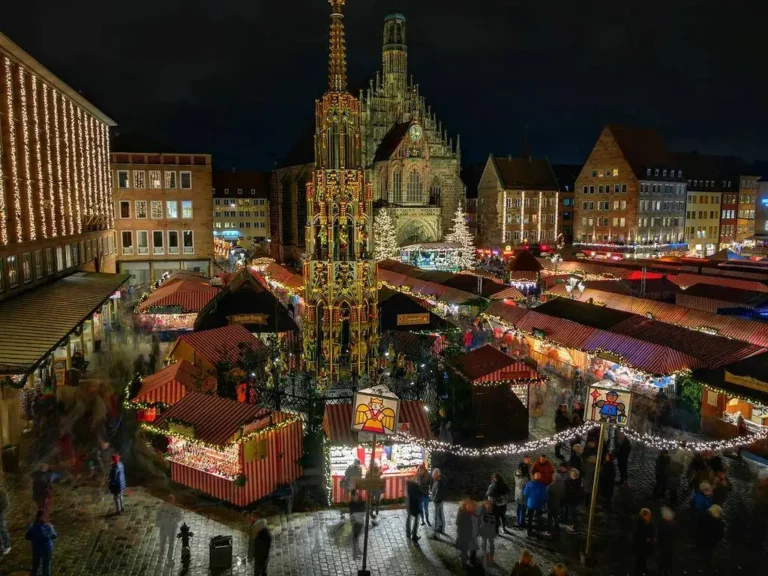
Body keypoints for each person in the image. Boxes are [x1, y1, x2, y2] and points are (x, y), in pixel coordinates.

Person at [26, 509, 57, 576]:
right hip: (47, 549)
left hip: (36, 549)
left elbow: (27, 537)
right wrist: (51, 527)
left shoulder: (32, 527)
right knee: (46, 566)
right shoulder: (49, 527)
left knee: (35, 566)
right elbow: (54, 536)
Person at [157, 495, 183, 566]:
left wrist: (174, 520)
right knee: (163, 543)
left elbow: (180, 518)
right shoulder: (162, 508)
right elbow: (157, 518)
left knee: (170, 544)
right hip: (165, 528)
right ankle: (162, 557)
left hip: (171, 529)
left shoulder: (176, 509)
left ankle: (169, 559)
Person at [455, 499, 479, 568]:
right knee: (464, 548)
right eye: (469, 506)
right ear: (465, 505)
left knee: (473, 547)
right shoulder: (462, 512)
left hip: (473, 533)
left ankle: (472, 560)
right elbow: (458, 523)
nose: (471, 507)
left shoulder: (475, 511)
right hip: (464, 533)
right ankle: (463, 562)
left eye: (473, 506)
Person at [523, 472, 548, 536]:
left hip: (530, 504)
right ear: (540, 478)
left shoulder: (528, 484)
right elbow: (544, 496)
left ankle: (529, 530)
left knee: (530, 517)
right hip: (539, 504)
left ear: (534, 477)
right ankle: (538, 530)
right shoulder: (542, 486)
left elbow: (525, 494)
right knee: (538, 517)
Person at [634, 508, 654, 576]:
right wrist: (645, 539)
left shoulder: (649, 524)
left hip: (646, 549)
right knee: (640, 565)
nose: (650, 517)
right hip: (641, 549)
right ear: (644, 516)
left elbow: (651, 534)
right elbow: (638, 536)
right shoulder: (640, 525)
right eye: (648, 515)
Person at [657, 507, 677, 576]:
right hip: (667, 545)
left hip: (665, 545)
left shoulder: (661, 523)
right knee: (666, 558)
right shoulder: (668, 525)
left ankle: (663, 570)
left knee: (665, 558)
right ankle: (665, 570)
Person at [478, 500, 497, 566]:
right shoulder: (481, 511)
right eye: (487, 505)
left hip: (491, 530)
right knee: (484, 542)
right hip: (484, 530)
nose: (489, 507)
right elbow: (478, 521)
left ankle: (491, 558)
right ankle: (485, 556)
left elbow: (496, 522)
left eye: (490, 506)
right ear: (484, 505)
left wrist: (495, 530)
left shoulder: (494, 512)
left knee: (491, 543)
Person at [430, 468, 446, 535]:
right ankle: (440, 527)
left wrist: (434, 499)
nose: (432, 475)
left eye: (433, 474)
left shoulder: (439, 482)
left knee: (436, 516)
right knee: (439, 514)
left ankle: (435, 532)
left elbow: (438, 493)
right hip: (438, 501)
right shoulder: (437, 481)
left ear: (437, 474)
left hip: (438, 501)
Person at [515, 462, 530, 527]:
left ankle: (518, 520)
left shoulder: (516, 473)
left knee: (519, 507)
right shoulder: (525, 479)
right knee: (523, 509)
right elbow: (527, 487)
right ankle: (521, 522)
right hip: (523, 495)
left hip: (517, 492)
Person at [0, 487, 10, 555]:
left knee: (3, 530)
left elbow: (6, 504)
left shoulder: (2, 493)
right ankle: (1, 546)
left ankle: (7, 545)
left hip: (0, 515)